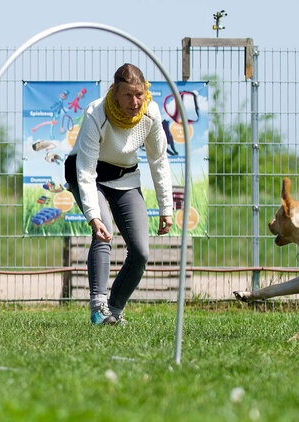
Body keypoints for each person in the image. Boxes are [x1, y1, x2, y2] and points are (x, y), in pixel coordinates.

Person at [65, 63, 173, 325]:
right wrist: (94, 216)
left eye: (139, 95)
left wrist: (166, 208)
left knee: (141, 252)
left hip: (126, 178)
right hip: (89, 176)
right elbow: (86, 170)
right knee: (104, 233)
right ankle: (98, 307)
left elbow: (159, 161)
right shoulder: (96, 112)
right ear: (114, 92)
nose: (134, 102)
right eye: (127, 95)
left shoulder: (151, 114)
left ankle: (114, 310)